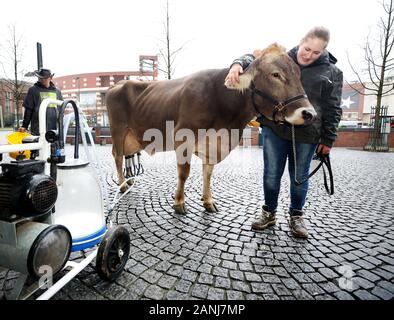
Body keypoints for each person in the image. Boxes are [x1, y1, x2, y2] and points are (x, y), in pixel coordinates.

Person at [225, 26, 343, 239]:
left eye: (316, 52)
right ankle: (269, 212)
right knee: (271, 175)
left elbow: (333, 108)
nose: (309, 55)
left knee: (299, 177)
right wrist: (236, 63)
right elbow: (254, 58)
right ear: (301, 42)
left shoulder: (332, 73)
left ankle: (296, 216)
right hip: (275, 129)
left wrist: (328, 139)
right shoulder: (282, 59)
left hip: (307, 133)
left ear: (324, 51)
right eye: (307, 49)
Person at [19, 68, 63, 136]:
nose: (42, 80)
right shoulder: (33, 90)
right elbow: (28, 110)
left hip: (54, 129)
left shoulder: (57, 92)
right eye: (40, 78)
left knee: (53, 145)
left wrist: (60, 124)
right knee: (39, 145)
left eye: (44, 78)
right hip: (38, 129)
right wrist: (24, 126)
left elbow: (61, 110)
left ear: (50, 78)